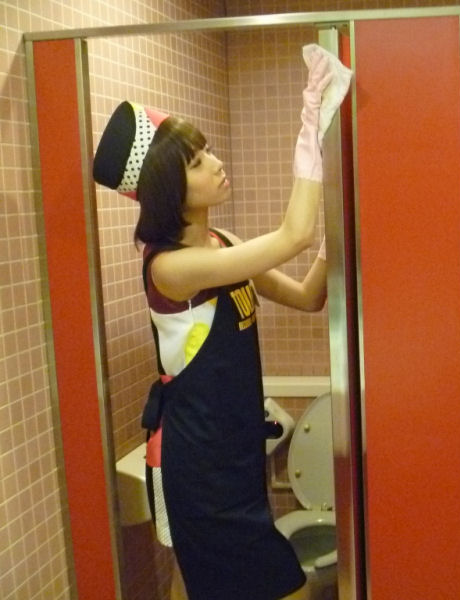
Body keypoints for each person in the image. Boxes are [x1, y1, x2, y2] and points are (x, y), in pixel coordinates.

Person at [93, 47, 347, 600]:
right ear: (168, 189)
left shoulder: (221, 242)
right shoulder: (172, 268)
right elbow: (292, 236)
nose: (214, 163)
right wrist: (311, 120)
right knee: (289, 587)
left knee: (201, 584)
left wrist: (337, 233)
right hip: (201, 468)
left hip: (235, 456)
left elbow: (307, 297)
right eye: (195, 162)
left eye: (207, 150)